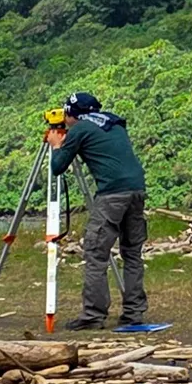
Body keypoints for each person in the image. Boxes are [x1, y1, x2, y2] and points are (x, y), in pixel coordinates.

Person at [46, 91, 148, 331]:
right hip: (137, 190)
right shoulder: (114, 123)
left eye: (67, 114)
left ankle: (93, 315)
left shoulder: (80, 130)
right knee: (132, 253)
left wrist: (57, 145)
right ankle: (134, 313)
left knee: (95, 253)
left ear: (74, 115)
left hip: (112, 194)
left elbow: (58, 167)